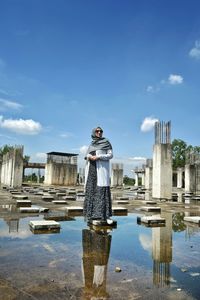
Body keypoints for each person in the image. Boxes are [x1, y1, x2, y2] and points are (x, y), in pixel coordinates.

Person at [83, 126, 113, 225]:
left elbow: (110, 155)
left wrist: (99, 156)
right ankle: (90, 215)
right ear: (94, 132)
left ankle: (106, 216)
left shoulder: (106, 142)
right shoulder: (91, 144)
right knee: (91, 190)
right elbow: (87, 154)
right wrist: (89, 156)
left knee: (102, 191)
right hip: (91, 169)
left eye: (101, 131)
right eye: (97, 131)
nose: (99, 132)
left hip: (101, 170)